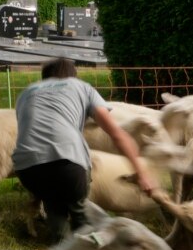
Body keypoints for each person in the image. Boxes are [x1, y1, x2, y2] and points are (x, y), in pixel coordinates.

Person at [12, 57, 158, 240]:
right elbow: (116, 134)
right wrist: (142, 173)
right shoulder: (81, 87)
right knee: (82, 212)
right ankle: (94, 246)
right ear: (74, 76)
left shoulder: (27, 93)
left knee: (53, 204)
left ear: (44, 78)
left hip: (27, 168)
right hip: (67, 162)